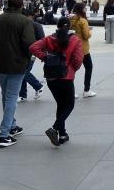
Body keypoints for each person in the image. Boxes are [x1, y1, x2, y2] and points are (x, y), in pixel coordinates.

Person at [0, 0, 36, 148]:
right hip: (17, 64)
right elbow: (29, 44)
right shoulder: (25, 21)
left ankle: (12, 125)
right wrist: (27, 59)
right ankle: (4, 134)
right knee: (12, 97)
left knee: (6, 95)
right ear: (21, 6)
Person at [30, 17, 84, 147]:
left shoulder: (49, 39)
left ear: (57, 26)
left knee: (61, 104)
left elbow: (33, 47)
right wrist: (71, 69)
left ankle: (63, 133)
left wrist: (46, 58)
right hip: (66, 77)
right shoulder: (75, 40)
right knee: (69, 104)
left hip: (51, 77)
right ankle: (54, 129)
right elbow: (78, 60)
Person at [69, 3, 95, 97]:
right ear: (81, 10)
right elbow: (86, 35)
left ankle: (70, 92)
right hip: (83, 49)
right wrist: (90, 32)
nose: (86, 10)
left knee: (71, 69)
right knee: (89, 68)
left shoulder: (70, 19)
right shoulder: (83, 21)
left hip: (72, 47)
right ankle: (86, 90)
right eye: (85, 8)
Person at [19, 9, 45, 101]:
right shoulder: (23, 25)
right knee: (22, 71)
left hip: (32, 53)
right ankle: (22, 95)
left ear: (30, 16)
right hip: (22, 53)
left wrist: (40, 54)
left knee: (23, 72)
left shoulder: (36, 26)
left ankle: (38, 86)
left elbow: (42, 40)